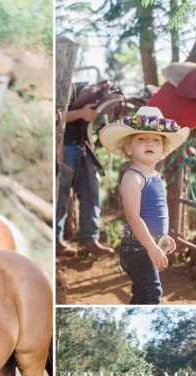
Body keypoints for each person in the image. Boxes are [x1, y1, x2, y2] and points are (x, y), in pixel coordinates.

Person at [98, 107, 189, 304]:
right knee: (151, 294)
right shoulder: (133, 178)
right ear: (129, 148)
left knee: (143, 293)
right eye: (141, 139)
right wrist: (151, 247)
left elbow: (157, 213)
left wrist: (161, 239)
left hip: (148, 244)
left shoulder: (155, 176)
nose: (149, 142)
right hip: (138, 247)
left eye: (156, 139)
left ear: (163, 150)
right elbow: (134, 217)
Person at [56, 85, 114, 258]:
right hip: (63, 148)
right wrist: (81, 113)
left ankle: (89, 240)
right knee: (61, 197)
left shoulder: (88, 92)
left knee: (91, 193)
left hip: (82, 147)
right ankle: (57, 243)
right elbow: (56, 118)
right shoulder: (63, 88)